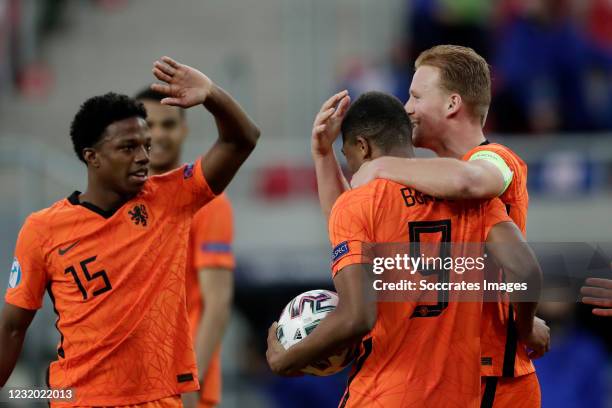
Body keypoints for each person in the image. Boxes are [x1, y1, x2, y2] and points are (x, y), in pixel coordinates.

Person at [0, 56, 259, 407]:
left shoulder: (171, 198)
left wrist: (211, 94)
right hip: (79, 398)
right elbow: (13, 326)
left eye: (145, 146)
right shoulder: (42, 229)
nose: (143, 157)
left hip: (159, 397)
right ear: (92, 157)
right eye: (128, 147)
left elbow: (241, 141)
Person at [266, 92, 546, 407]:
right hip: (457, 394)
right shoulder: (470, 201)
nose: (351, 170)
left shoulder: (358, 204)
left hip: (382, 392)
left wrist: (284, 361)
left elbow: (357, 317)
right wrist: (525, 328)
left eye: (347, 157)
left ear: (363, 146)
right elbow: (525, 268)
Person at [349, 45, 549, 407]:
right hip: (433, 376)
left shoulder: (497, 159)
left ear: (452, 104)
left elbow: (473, 181)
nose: (406, 108)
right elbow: (348, 222)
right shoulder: (424, 179)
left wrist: (380, 166)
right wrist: (321, 157)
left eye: (415, 95)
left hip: (495, 378)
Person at [135, 87, 235, 408]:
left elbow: (217, 303)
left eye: (168, 125)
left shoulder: (208, 201)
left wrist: (191, 383)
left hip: (181, 386)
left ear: (184, 130)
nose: (159, 135)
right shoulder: (123, 201)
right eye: (149, 126)